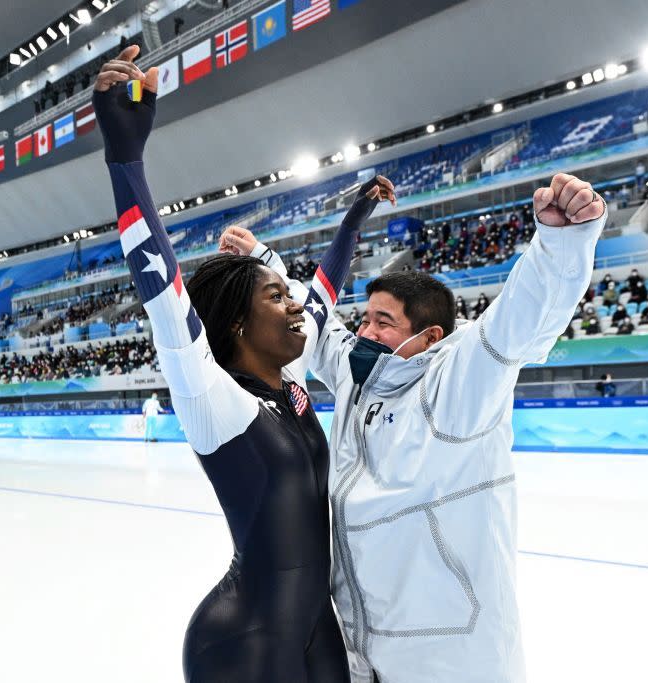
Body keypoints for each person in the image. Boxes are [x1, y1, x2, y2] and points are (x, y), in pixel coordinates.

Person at [92, 46, 394, 683]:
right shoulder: (216, 403)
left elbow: (327, 288)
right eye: (276, 295)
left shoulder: (290, 384)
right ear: (235, 323)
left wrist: (355, 217)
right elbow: (164, 293)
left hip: (317, 628)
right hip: (242, 642)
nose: (297, 305)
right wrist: (125, 159)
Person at [240, 172, 606, 682]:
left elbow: (519, 322)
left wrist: (562, 243)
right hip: (363, 651)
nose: (364, 332)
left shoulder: (457, 387)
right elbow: (320, 326)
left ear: (429, 336)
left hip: (449, 658)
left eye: (383, 323)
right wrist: (267, 264)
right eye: (365, 319)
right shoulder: (359, 377)